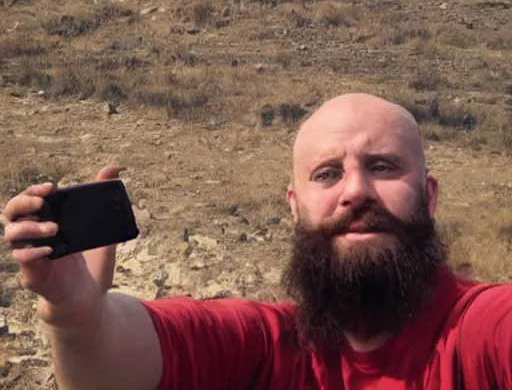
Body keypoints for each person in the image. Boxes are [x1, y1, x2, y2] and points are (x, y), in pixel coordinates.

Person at [2, 93, 512, 390]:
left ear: (428, 195)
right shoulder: (271, 348)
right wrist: (76, 316)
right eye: (328, 174)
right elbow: (121, 368)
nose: (355, 191)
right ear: (294, 206)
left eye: (382, 167)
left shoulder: (478, 334)